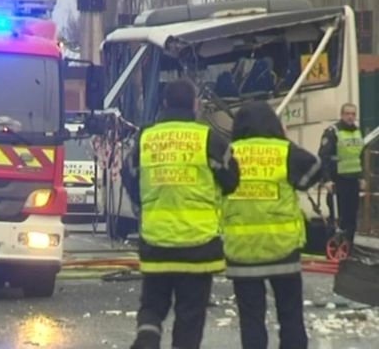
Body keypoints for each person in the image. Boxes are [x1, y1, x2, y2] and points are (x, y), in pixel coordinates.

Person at [122, 79, 240, 349]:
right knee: (190, 314)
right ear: (194, 105)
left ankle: (147, 338)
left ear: (163, 103)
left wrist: (144, 206)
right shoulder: (209, 139)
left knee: (152, 306)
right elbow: (231, 179)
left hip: (156, 242)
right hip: (198, 246)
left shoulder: (146, 138)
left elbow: (128, 174)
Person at [223, 101, 322, 349]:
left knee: (251, 320)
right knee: (290, 317)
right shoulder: (284, 151)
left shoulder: (228, 152)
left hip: (242, 252)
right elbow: (316, 169)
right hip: (283, 250)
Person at [318, 103, 365, 242]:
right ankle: (332, 248)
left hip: (353, 181)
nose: (351, 117)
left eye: (353, 114)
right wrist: (326, 180)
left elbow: (359, 156)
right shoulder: (333, 132)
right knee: (338, 218)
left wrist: (361, 177)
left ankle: (348, 248)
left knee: (352, 217)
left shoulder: (357, 131)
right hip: (338, 181)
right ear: (342, 115)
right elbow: (324, 157)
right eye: (348, 114)